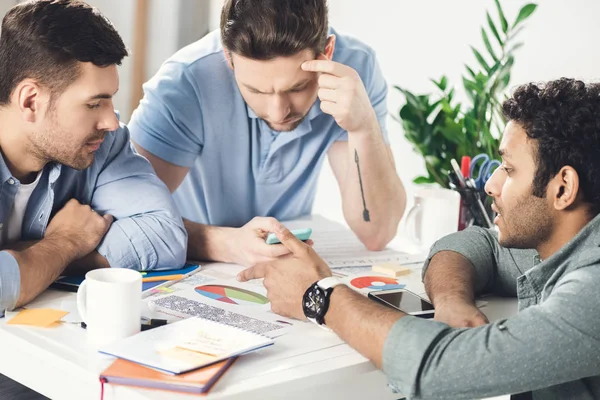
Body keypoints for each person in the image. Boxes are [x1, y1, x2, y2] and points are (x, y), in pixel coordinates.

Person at [238, 78, 600, 399]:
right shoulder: (567, 243)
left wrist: (320, 294)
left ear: (563, 187)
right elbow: (478, 244)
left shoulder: (593, 292)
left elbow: (441, 369)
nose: (491, 185)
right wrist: (451, 299)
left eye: (508, 169)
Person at [129, 0, 406, 267]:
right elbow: (128, 218)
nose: (278, 112)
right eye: (257, 91)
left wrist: (363, 127)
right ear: (229, 57)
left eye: (297, 88)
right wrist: (224, 243)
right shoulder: (182, 82)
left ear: (328, 51)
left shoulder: (353, 72)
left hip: (287, 265)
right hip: (191, 261)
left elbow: (377, 234)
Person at [0, 0, 188, 316]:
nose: (111, 121)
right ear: (31, 101)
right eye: (93, 104)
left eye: (109, 99)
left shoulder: (104, 143)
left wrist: (31, 262)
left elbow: (166, 235)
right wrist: (65, 242)